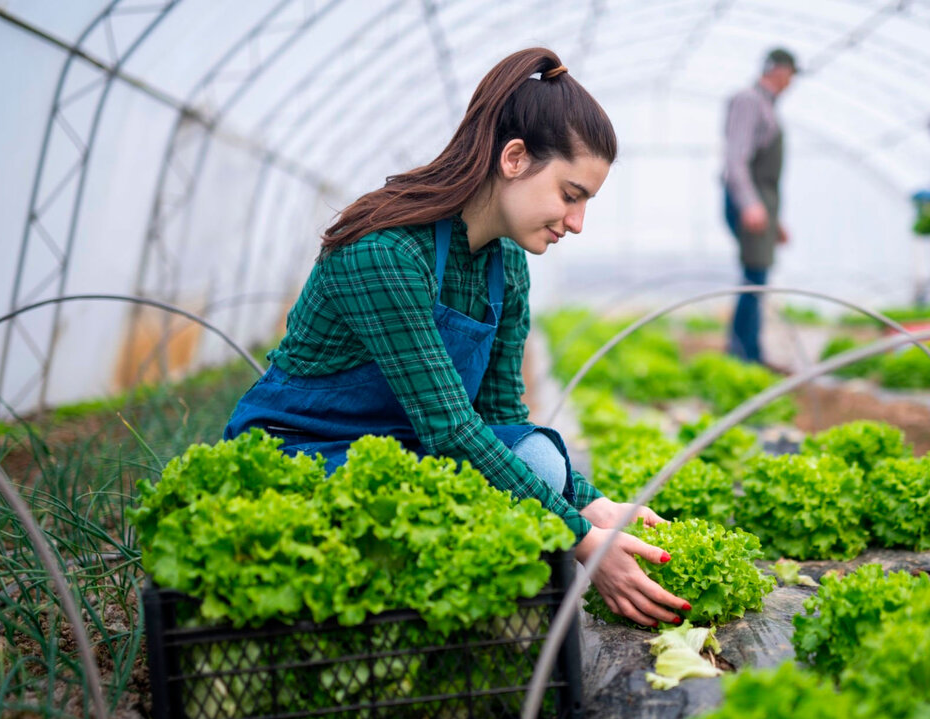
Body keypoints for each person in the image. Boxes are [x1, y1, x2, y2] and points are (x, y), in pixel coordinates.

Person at [223, 48, 688, 628]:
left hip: (405, 450)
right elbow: (451, 428)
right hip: (309, 456)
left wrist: (590, 503)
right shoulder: (385, 252)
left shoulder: (506, 266)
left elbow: (499, 414)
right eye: (571, 195)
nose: (577, 223)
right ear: (514, 158)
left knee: (540, 457)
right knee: (517, 483)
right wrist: (581, 537)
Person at [722, 47, 796, 364]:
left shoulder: (767, 105)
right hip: (749, 201)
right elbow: (735, 159)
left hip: (762, 203)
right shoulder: (749, 100)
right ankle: (744, 355)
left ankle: (749, 352)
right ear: (779, 71)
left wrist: (775, 220)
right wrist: (750, 204)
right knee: (754, 278)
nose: (791, 82)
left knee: (757, 278)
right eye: (791, 75)